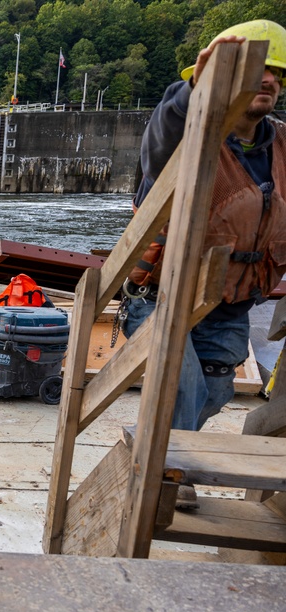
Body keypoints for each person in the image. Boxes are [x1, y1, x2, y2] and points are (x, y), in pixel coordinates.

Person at [123, 20, 286, 437]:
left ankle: (160, 458)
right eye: (255, 71)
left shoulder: (283, 148)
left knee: (214, 394)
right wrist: (194, 91)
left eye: (277, 74)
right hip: (163, 298)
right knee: (181, 393)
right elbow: (160, 147)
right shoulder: (186, 139)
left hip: (229, 304)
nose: (268, 80)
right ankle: (162, 477)